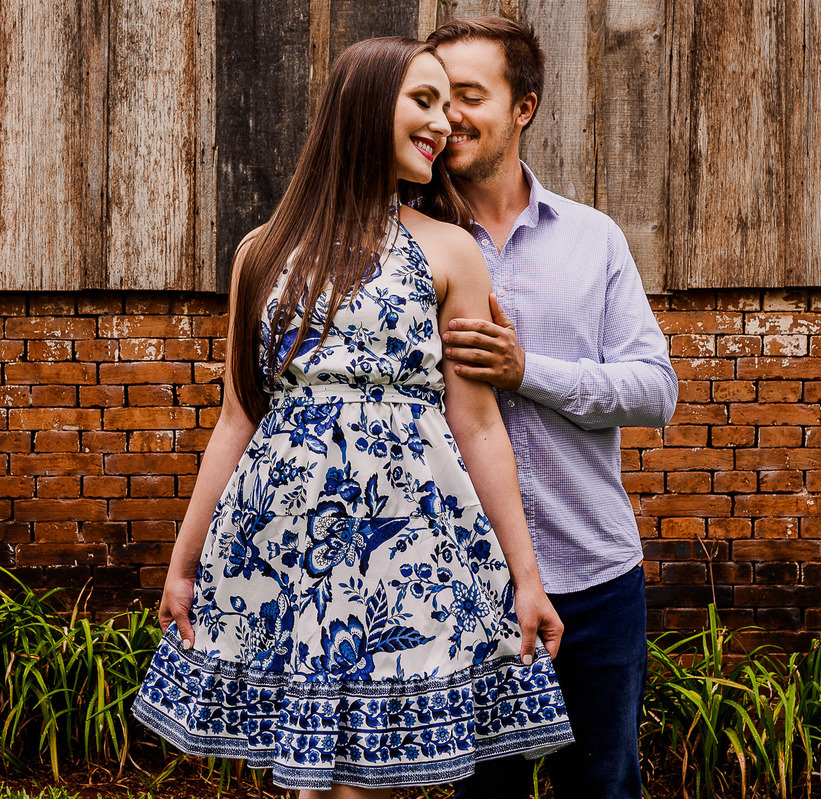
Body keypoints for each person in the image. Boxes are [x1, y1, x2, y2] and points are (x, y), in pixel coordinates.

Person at [131, 37, 573, 796]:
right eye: (423, 101)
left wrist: (526, 579)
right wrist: (183, 560)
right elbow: (238, 417)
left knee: (365, 781)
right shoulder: (261, 253)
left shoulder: (447, 251)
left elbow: (478, 425)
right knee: (310, 778)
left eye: (450, 104)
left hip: (401, 548)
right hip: (284, 546)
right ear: (366, 106)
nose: (443, 124)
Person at [426, 18, 679, 799]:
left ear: (524, 106)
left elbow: (654, 390)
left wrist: (527, 369)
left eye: (471, 96)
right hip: (467, 584)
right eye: (436, 98)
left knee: (603, 788)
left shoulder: (592, 239)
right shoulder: (408, 248)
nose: (449, 117)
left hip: (595, 580)